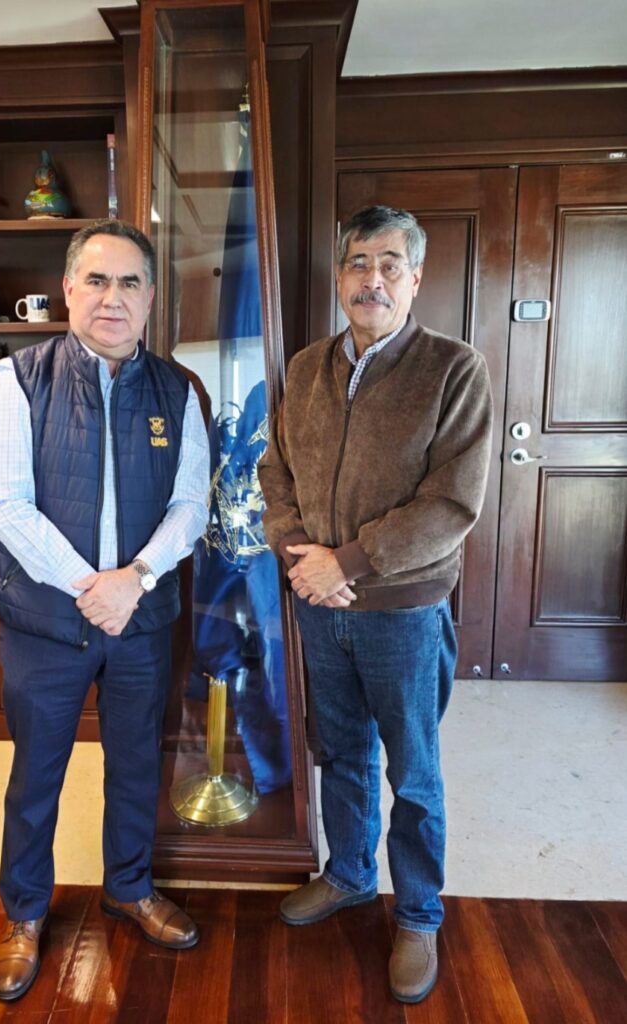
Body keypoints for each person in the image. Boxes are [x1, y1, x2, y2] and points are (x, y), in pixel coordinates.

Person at [257, 205, 493, 1004]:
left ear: (414, 278)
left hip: (402, 611)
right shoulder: (304, 369)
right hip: (318, 603)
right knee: (340, 752)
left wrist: (348, 562)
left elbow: (449, 504)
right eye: (358, 263)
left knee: (413, 772)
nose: (372, 279)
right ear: (339, 277)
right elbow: (274, 472)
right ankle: (350, 874)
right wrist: (303, 558)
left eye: (390, 264)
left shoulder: (452, 369)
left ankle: (418, 912)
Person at [0, 219, 210, 1002]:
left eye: (130, 282)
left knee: (136, 764)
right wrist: (93, 586)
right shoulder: (18, 379)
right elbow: (6, 505)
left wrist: (133, 580)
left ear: (150, 297)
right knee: (35, 775)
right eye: (97, 280)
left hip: (139, 620)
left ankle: (129, 887)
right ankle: (23, 913)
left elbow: (190, 505)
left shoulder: (178, 391)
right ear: (69, 288)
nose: (113, 297)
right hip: (46, 623)